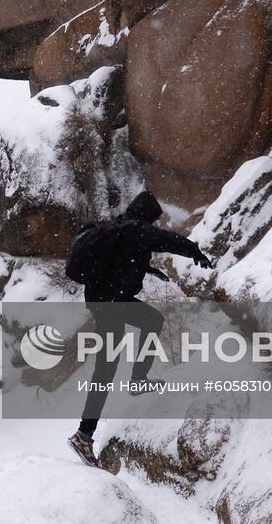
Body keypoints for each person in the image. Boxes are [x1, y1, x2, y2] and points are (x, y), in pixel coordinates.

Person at [64, 190, 211, 468]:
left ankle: (137, 380)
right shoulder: (136, 230)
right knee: (106, 367)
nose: (153, 225)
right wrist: (194, 251)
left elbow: (122, 260)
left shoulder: (118, 227)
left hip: (105, 299)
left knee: (151, 321)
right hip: (111, 303)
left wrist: (150, 271)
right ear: (146, 215)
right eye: (153, 219)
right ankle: (84, 434)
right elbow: (169, 241)